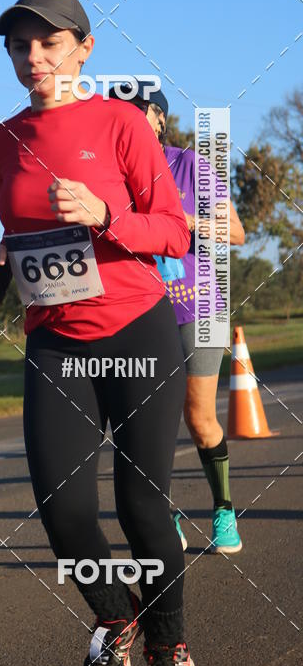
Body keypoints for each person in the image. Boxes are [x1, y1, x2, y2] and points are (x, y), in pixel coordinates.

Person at [0, 0, 196, 666]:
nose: (34, 57)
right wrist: (0, 268)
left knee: (142, 506)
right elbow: (24, 236)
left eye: (49, 42)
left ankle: (167, 642)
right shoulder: (1, 140)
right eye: (20, 45)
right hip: (54, 338)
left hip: (137, 329)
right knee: (62, 508)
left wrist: (107, 214)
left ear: (84, 48)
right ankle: (114, 615)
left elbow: (176, 234)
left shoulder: (122, 124)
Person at [109, 81, 246, 554]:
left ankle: (224, 509)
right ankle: (166, 515)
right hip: (141, 314)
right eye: (116, 113)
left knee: (200, 417)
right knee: (150, 423)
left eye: (135, 111)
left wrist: (186, 222)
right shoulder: (110, 178)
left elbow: (236, 232)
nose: (124, 120)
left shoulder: (190, 166)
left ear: (158, 118)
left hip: (201, 308)